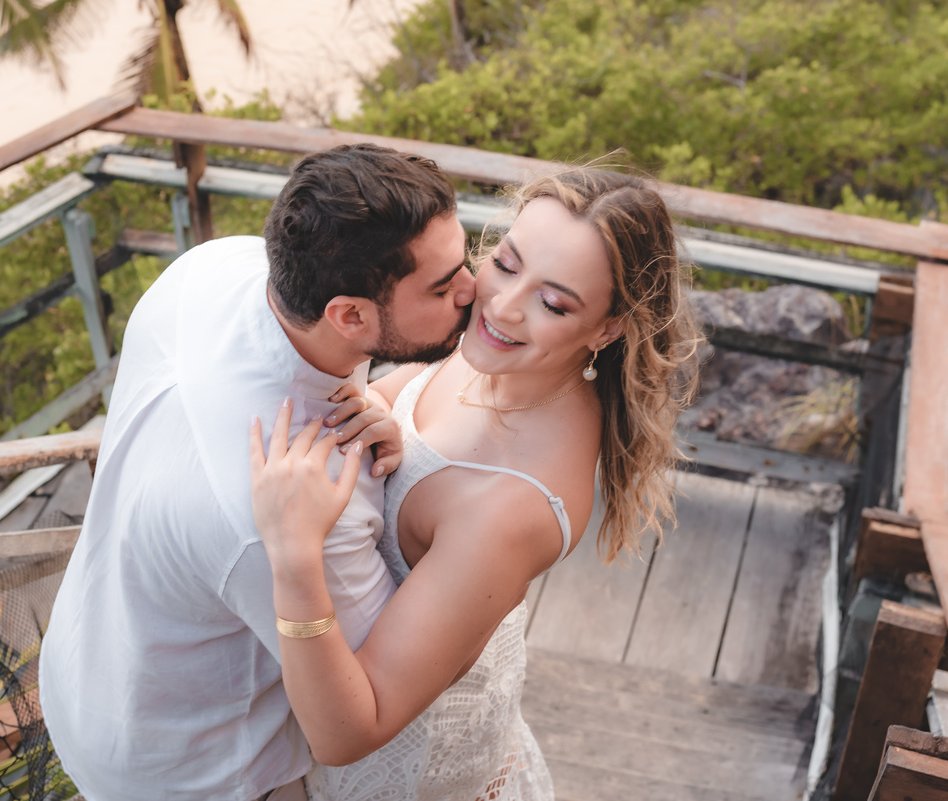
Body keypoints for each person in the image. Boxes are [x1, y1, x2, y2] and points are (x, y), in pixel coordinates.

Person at [38, 143, 476, 801]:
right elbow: (375, 688)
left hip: (83, 663)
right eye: (443, 286)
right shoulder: (299, 494)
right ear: (349, 315)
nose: (476, 286)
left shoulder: (214, 269)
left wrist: (383, 403)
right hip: (195, 767)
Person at [249, 167, 701, 800]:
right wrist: (378, 404)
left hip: (408, 762)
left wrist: (294, 556)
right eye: (508, 263)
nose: (503, 305)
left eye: (555, 302)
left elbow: (350, 731)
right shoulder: (501, 350)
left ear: (606, 329)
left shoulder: (510, 508)